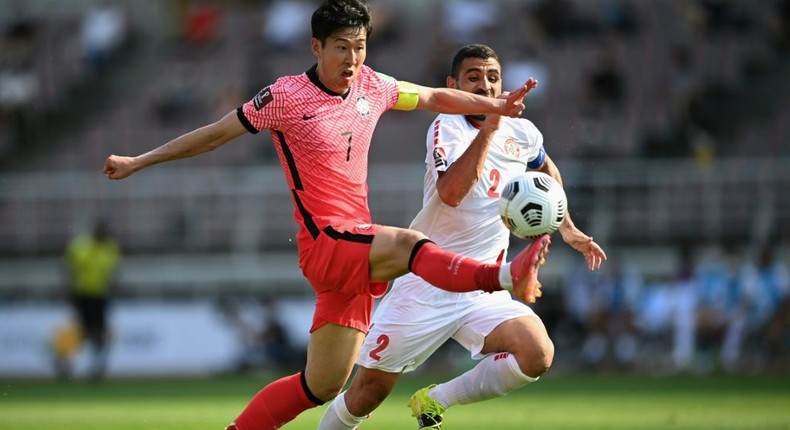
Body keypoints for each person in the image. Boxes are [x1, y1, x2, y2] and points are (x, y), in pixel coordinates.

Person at [102, 2, 547, 429]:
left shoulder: (374, 86)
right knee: (410, 245)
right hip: (327, 241)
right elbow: (216, 135)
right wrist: (140, 161)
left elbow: (432, 96)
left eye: (360, 46)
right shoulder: (284, 96)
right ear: (316, 47)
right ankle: (506, 278)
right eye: (341, 47)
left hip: (353, 253)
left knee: (321, 385)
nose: (352, 58)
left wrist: (494, 107)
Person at [318, 44, 607, 430]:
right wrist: (489, 127)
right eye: (474, 77)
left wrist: (568, 229)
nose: (485, 86)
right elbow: (452, 194)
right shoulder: (446, 126)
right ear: (453, 85)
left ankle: (433, 401)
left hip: (482, 287)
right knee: (366, 394)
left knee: (536, 353)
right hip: (425, 282)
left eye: (492, 78)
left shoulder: (523, 131)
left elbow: (546, 173)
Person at [63, 219, 121, 380]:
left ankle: (97, 366)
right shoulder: (80, 247)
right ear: (94, 232)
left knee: (101, 331)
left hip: (101, 295)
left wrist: (114, 287)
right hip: (82, 294)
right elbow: (70, 271)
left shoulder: (110, 248)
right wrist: (70, 290)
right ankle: (69, 364)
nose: (104, 236)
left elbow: (111, 272)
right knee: (81, 331)